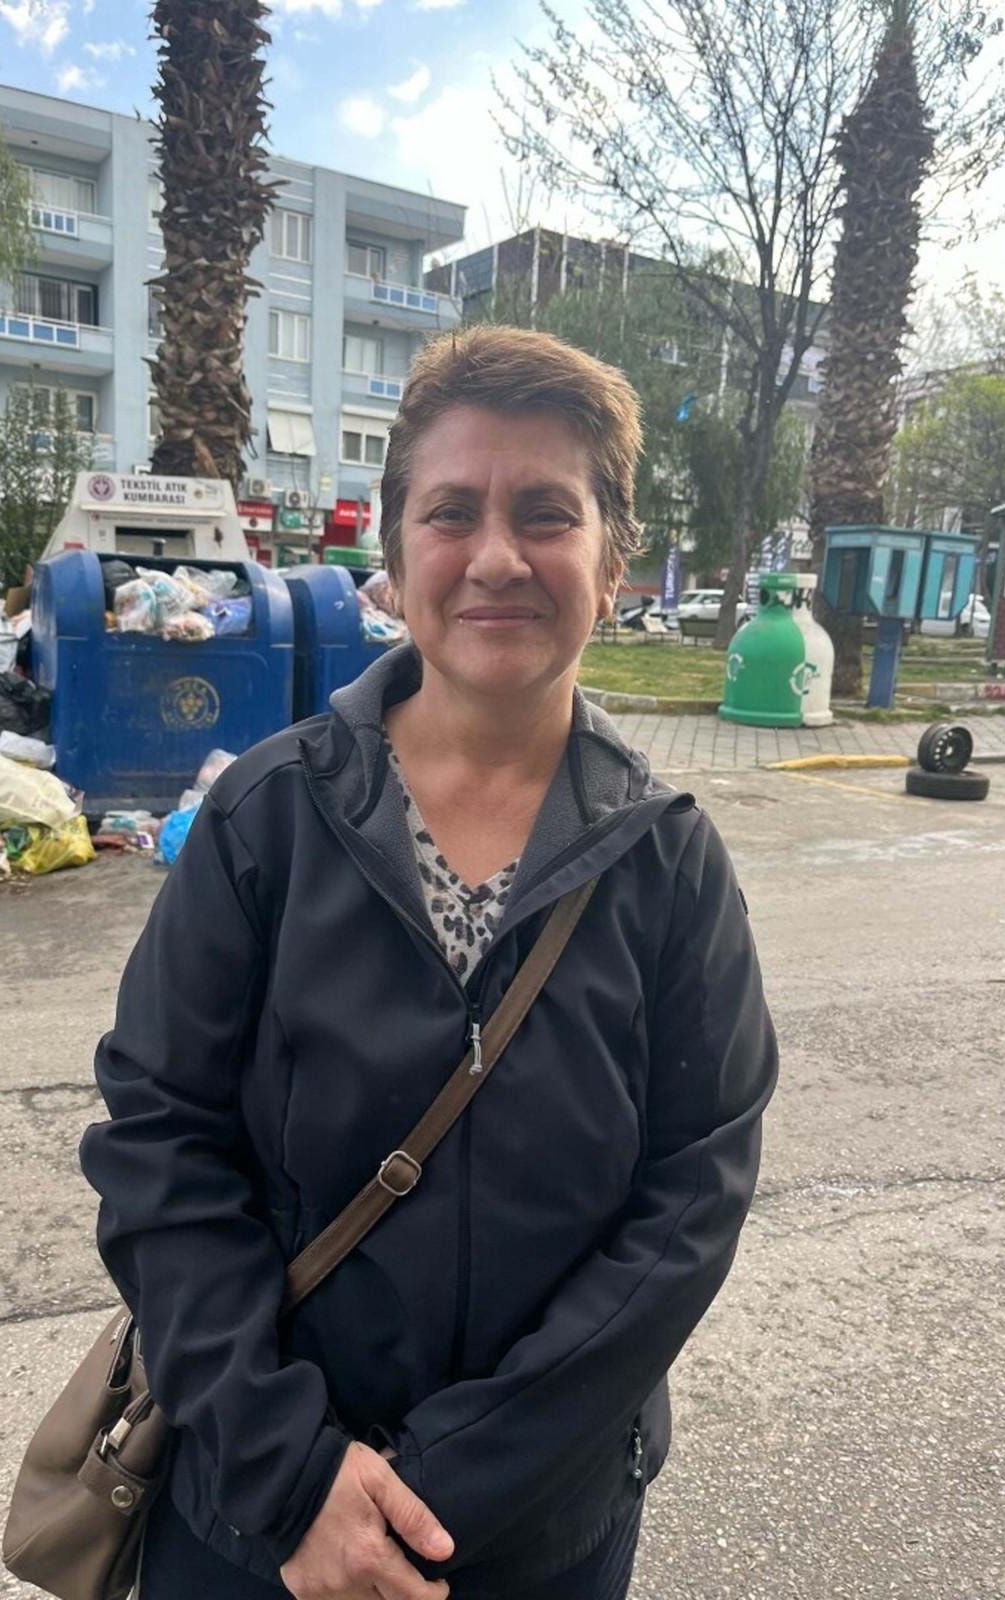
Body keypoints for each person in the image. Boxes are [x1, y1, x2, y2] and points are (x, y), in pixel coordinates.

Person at [79, 324, 778, 1600]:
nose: (498, 556)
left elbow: (688, 1205)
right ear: (395, 564)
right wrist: (295, 1477)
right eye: (453, 511)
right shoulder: (267, 821)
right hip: (256, 1531)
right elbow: (160, 1143)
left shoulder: (668, 863)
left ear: (612, 563)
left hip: (533, 1538)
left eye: (547, 513)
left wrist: (445, 1491)